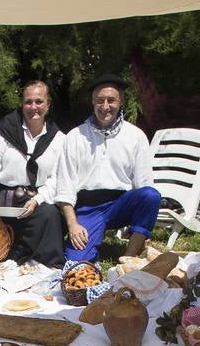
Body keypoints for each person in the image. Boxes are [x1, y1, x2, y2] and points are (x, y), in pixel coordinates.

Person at [54, 73, 164, 264]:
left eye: (111, 100)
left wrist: (142, 220)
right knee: (76, 264)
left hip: (120, 204)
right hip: (88, 208)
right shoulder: (75, 136)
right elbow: (65, 186)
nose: (105, 106)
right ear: (92, 103)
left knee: (151, 195)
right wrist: (73, 225)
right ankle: (87, 246)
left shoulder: (136, 136)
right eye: (100, 100)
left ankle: (128, 257)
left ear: (120, 102)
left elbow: (144, 185)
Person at [0, 80, 66, 267]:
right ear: (22, 104)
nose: (33, 107)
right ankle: (6, 256)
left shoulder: (59, 139)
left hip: (36, 202)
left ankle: (43, 267)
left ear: (48, 104)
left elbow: (57, 177)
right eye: (28, 102)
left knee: (50, 215)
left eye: (39, 102)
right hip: (4, 203)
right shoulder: (2, 132)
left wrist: (37, 200)